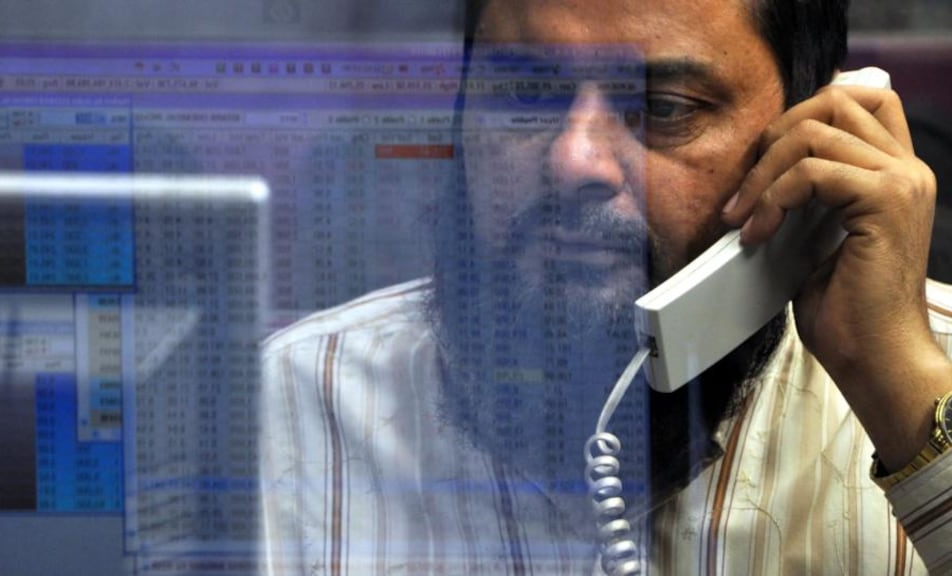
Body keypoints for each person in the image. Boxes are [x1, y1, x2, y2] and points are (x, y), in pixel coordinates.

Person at [261, 0, 952, 573]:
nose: (573, 160)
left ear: (817, 131)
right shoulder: (289, 406)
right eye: (527, 93)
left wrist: (899, 390)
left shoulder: (922, 377)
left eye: (666, 105)